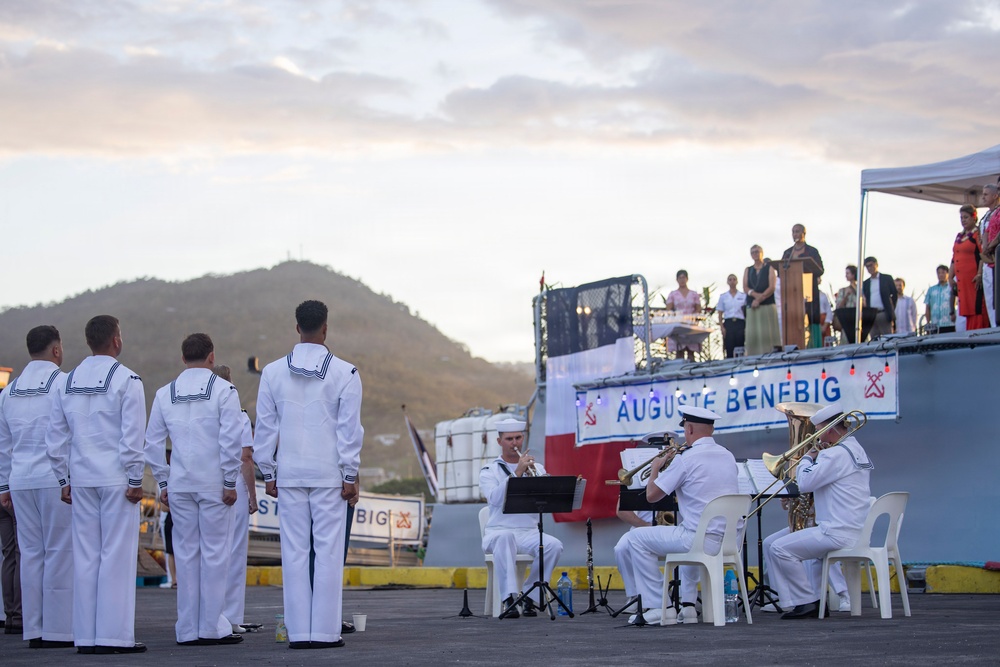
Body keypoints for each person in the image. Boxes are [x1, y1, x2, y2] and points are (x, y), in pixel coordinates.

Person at [253, 300, 363, 649]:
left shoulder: (271, 372)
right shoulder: (345, 372)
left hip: (289, 474)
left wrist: (267, 472)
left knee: (294, 553)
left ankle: (299, 633)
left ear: (297, 327)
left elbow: (265, 429)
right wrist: (350, 473)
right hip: (329, 474)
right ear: (325, 328)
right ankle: (325, 633)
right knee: (329, 552)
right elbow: (349, 431)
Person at [45, 315, 147, 653]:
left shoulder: (65, 381)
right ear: (116, 340)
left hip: (82, 478)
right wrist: (136, 478)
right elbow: (133, 439)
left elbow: (55, 436)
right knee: (116, 556)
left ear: (89, 341)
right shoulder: (127, 379)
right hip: (117, 479)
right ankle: (112, 636)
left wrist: (63, 478)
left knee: (86, 557)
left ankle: (86, 636)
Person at [145, 334, 244, 646]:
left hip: (180, 483)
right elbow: (231, 440)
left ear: (183, 357)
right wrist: (230, 481)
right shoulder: (224, 390)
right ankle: (212, 626)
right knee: (215, 555)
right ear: (212, 357)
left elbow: (152, 444)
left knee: (186, 556)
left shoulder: (164, 393)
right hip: (214, 483)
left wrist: (163, 481)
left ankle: (187, 628)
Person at [615, 406, 739, 625]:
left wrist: (655, 469)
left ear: (689, 428)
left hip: (698, 540)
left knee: (635, 539)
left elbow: (652, 495)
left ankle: (658, 607)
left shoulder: (686, 458)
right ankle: (688, 607)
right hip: (727, 541)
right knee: (692, 528)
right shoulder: (728, 456)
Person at [0, 326, 73, 647]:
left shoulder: (8, 392)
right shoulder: (65, 384)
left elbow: (3, 445)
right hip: (54, 479)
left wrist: (3, 486)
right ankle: (57, 630)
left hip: (19, 480)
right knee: (58, 551)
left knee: (29, 554)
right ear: (56, 350)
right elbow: (71, 434)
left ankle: (33, 628)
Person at [765, 404, 872, 619]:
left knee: (779, 549)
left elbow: (805, 483)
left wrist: (807, 457)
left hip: (835, 531)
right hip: (852, 528)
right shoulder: (855, 449)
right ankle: (807, 599)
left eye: (819, 432)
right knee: (779, 544)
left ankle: (806, 602)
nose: (817, 438)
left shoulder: (834, 454)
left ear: (830, 431)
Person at [480, 418, 563, 618]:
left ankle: (530, 595)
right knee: (505, 537)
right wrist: (517, 473)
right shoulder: (489, 471)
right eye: (509, 439)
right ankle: (508, 598)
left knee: (553, 545)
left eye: (518, 438)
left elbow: (547, 497)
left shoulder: (538, 468)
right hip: (497, 532)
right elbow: (494, 499)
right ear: (499, 441)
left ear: (523, 438)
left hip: (528, 532)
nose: (514, 443)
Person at [211, 365, 259, 635]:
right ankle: (230, 616)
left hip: (206, 483)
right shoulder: (237, 416)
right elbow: (246, 458)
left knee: (208, 551)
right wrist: (252, 495)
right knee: (234, 551)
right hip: (234, 488)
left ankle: (208, 614)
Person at [781, 224, 825, 348]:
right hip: (792, 292)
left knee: (810, 317)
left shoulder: (812, 251)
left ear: (804, 233)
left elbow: (820, 269)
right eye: (793, 232)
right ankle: (794, 344)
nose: (795, 234)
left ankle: (813, 345)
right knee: (794, 318)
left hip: (809, 290)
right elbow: (780, 271)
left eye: (797, 231)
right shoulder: (788, 253)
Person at [951, 205, 990, 331]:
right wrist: (951, 277)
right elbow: (954, 257)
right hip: (962, 282)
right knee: (967, 309)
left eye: (966, 217)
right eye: (961, 217)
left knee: (976, 308)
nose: (963, 220)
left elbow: (982, 253)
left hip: (973, 279)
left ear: (974, 217)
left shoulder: (977, 234)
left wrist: (979, 273)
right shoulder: (959, 236)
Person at [743, 245, 780, 355]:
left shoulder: (769, 268)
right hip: (753, 305)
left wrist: (760, 299)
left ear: (762, 253)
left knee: (768, 333)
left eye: (757, 251)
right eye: (753, 252)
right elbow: (745, 287)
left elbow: (772, 287)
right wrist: (754, 296)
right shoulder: (748, 270)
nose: (755, 254)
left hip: (767, 305)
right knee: (753, 334)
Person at [664, 270, 702, 362]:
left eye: (683, 277)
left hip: (690, 324)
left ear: (687, 279)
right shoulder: (673, 294)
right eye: (680, 278)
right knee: (679, 351)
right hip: (679, 324)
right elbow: (669, 309)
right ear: (677, 280)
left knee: (691, 351)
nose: (682, 280)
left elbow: (698, 308)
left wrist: (693, 317)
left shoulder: (693, 294)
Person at [977, 184, 1000, 327]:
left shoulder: (998, 212)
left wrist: (990, 246)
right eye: (982, 194)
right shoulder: (986, 216)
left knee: (996, 297)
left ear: (995, 196)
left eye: (986, 194)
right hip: (987, 261)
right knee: (990, 299)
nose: (983, 197)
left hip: (996, 258)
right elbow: (984, 235)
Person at [861, 257, 897, 340]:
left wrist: (890, 308)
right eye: (867, 267)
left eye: (871, 265)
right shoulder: (866, 283)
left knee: (888, 338)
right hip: (872, 315)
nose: (869, 268)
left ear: (876, 265)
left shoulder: (886, 278)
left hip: (884, 313)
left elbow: (894, 294)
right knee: (874, 339)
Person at [714, 274, 747, 358]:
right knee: (729, 345)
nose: (732, 281)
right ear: (727, 282)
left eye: (734, 279)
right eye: (730, 280)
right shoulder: (723, 297)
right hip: (729, 323)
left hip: (740, 322)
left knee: (740, 345)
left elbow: (746, 311)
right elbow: (720, 313)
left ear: (737, 281)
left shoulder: (743, 296)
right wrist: (722, 327)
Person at [924, 265, 955, 332]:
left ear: (948, 274)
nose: (941, 275)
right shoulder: (931, 290)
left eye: (943, 273)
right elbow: (927, 307)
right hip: (935, 325)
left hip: (950, 323)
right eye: (939, 273)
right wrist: (928, 322)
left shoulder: (951, 288)